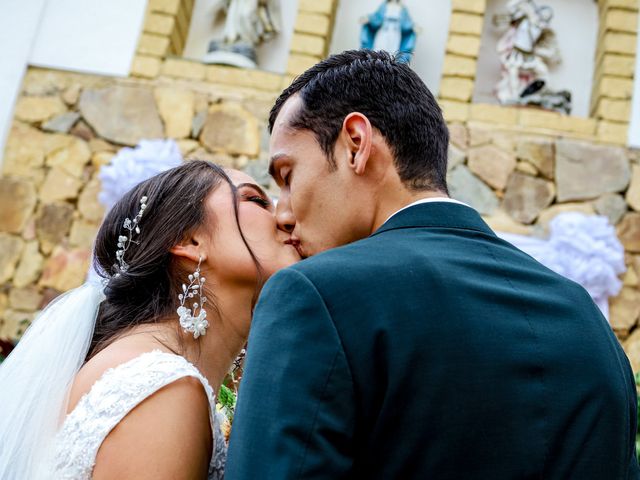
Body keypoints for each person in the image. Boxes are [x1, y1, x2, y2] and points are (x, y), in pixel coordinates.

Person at [226, 50, 640, 478]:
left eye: (288, 175)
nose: (283, 212)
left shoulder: (315, 296)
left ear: (355, 144)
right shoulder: (587, 318)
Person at [0, 160, 300, 479]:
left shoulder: (133, 367)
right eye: (255, 200)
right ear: (188, 240)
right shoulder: (164, 390)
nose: (285, 216)